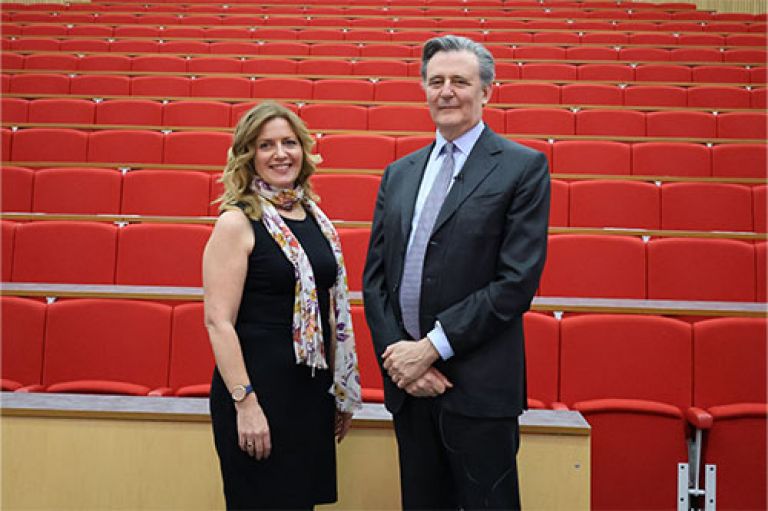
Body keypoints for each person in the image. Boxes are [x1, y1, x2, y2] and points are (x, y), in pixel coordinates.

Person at [363, 35, 550, 510]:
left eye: (460, 82)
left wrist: (428, 349)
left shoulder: (523, 168)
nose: (446, 91)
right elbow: (376, 280)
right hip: (410, 389)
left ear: (487, 91)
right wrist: (401, 363)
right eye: (436, 81)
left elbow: (515, 283)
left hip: (479, 390)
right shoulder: (398, 173)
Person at [203, 101, 362, 510]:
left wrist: (338, 395)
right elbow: (218, 321)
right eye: (266, 145)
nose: (280, 154)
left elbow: (329, 312)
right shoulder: (237, 222)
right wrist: (247, 404)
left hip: (307, 397)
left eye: (289, 142)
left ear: (303, 150)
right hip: (258, 395)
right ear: (248, 156)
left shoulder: (314, 218)